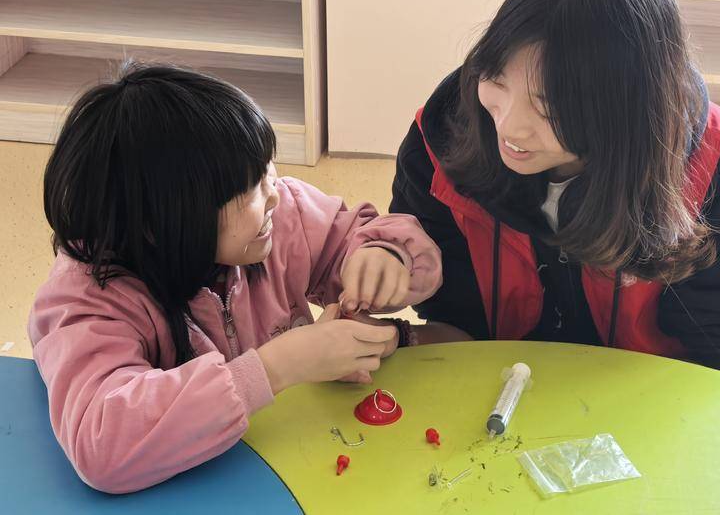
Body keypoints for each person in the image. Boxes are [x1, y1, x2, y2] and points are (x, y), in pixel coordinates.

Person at [391, 0, 720, 388]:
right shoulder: (443, 138)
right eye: (495, 79)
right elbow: (452, 318)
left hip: (665, 401)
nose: (509, 127)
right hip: (502, 388)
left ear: (625, 110)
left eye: (550, 108)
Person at [30, 63, 442, 493]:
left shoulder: (282, 218)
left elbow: (373, 243)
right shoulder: (87, 299)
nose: (274, 195)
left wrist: (385, 254)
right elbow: (102, 444)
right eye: (250, 189)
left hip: (287, 468)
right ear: (165, 221)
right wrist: (279, 367)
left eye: (268, 171)